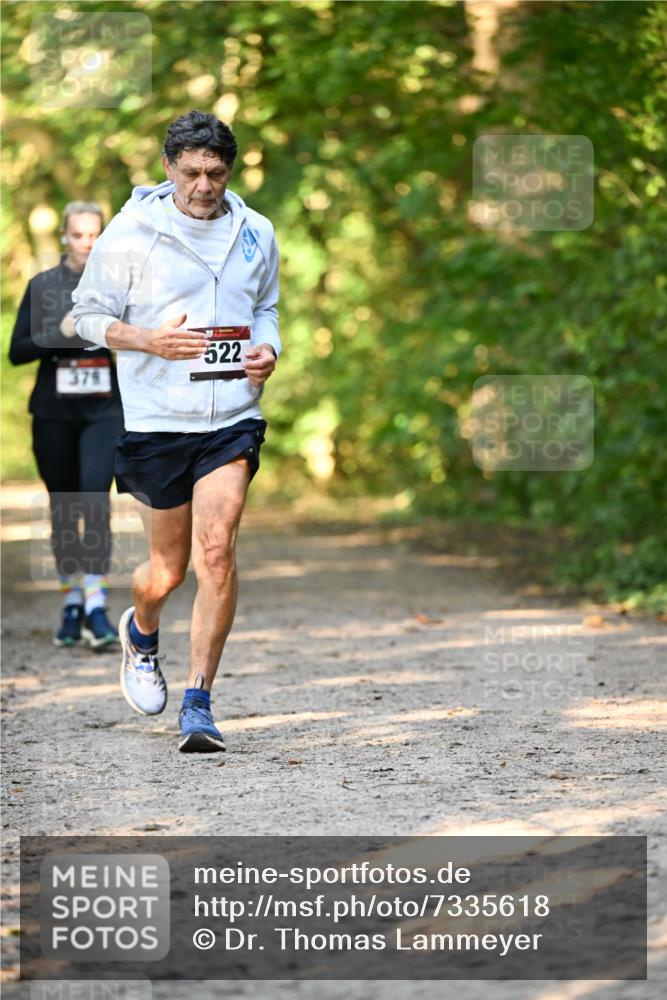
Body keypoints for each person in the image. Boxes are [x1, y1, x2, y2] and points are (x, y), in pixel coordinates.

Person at [72, 110, 280, 753]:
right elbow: (85, 315)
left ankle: (199, 701)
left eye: (215, 173)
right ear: (168, 168)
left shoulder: (256, 232)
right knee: (166, 570)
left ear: (230, 171)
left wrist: (268, 350)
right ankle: (141, 630)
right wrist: (147, 341)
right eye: (190, 172)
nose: (202, 186)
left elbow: (265, 308)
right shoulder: (131, 235)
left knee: (216, 550)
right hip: (159, 421)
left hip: (231, 418)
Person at [9, 202, 123, 650]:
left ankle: (96, 603)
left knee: (95, 501)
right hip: (54, 415)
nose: (87, 243)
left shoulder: (117, 286)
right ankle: (70, 601)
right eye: (79, 235)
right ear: (64, 237)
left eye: (95, 235)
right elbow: (16, 351)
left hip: (103, 412)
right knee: (64, 508)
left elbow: (141, 343)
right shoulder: (43, 286)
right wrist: (58, 333)